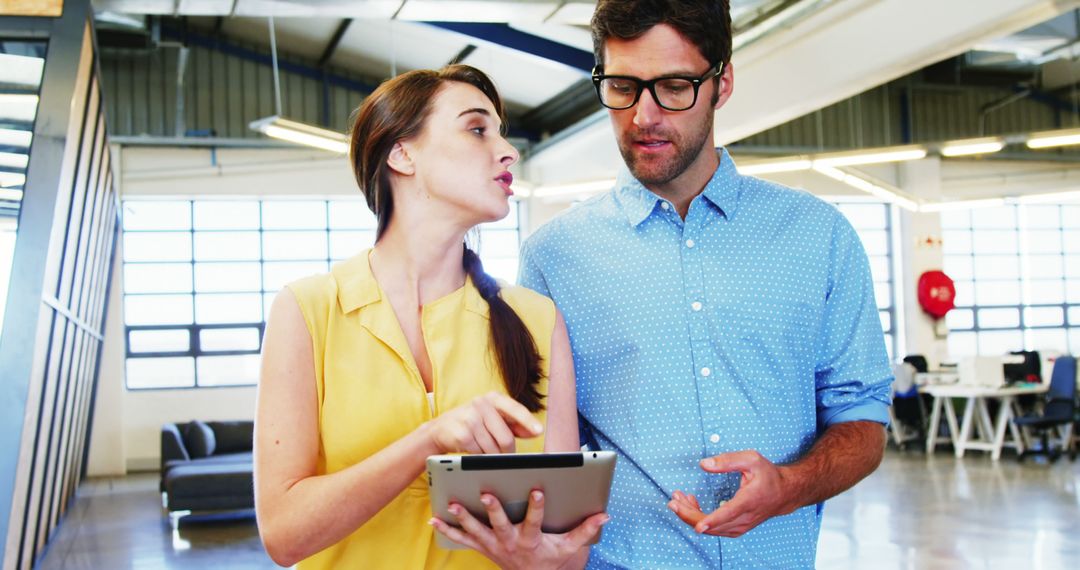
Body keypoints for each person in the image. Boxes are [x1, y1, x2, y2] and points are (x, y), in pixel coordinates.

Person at [518, 1, 894, 568]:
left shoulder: (819, 237)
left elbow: (862, 417)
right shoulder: (553, 257)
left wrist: (790, 485)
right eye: (621, 86)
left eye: (673, 86)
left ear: (722, 83)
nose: (643, 115)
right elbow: (543, 447)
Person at [254, 64, 606, 570]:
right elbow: (284, 536)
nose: (508, 151)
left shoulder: (537, 320)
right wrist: (431, 441)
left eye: (502, 134)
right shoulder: (307, 312)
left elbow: (569, 557)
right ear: (402, 153)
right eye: (477, 129)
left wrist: (535, 557)